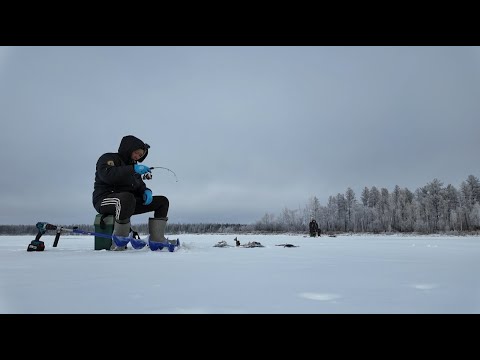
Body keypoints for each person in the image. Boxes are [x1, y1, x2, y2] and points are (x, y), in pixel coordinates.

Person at [92, 135, 171, 251]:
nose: (138, 157)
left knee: (162, 201)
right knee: (126, 198)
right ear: (128, 148)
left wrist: (146, 191)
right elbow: (108, 175)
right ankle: (119, 241)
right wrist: (132, 169)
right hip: (104, 199)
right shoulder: (108, 158)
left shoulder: (134, 168)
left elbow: (139, 185)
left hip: (127, 203)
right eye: (136, 153)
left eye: (140, 155)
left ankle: (157, 240)